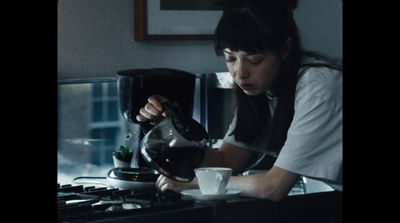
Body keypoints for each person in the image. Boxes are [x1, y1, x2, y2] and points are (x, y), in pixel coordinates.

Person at [136, 0, 342, 202]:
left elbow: (273, 187)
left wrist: (198, 183)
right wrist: (169, 124)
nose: (240, 73)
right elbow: (225, 162)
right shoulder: (264, 91)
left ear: (285, 49)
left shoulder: (317, 88)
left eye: (254, 60)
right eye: (230, 58)